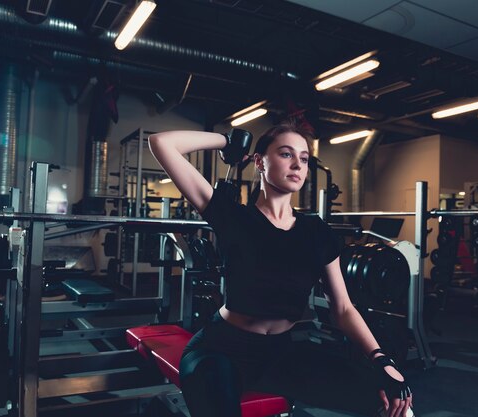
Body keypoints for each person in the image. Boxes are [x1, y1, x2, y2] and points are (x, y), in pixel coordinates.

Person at [148, 124, 413, 417]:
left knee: (385, 396)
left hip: (281, 352)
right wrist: (227, 142)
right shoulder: (231, 215)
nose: (298, 164)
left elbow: (343, 308)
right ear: (260, 161)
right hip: (221, 349)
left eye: (304, 158)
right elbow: (161, 142)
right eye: (286, 154)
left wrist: (380, 359)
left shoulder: (317, 231)